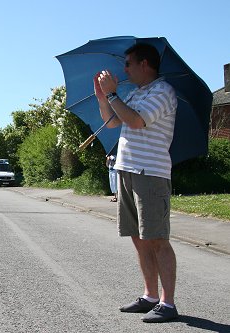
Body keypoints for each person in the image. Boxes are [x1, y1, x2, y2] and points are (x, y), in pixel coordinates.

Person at [94, 43, 178, 323]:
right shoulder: (137, 93)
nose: (124, 69)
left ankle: (168, 303)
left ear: (145, 64)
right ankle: (150, 296)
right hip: (127, 171)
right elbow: (113, 123)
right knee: (138, 238)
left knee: (157, 239)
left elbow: (136, 121)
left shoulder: (163, 92)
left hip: (150, 174)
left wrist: (113, 93)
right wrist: (103, 99)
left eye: (128, 64)